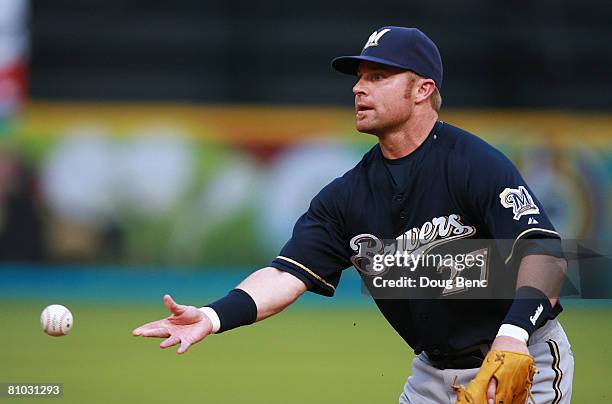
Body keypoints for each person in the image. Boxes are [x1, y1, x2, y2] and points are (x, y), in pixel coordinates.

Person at [133, 26, 573, 403]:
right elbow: (286, 274)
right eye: (359, 78)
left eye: (377, 76)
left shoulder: (473, 163)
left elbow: (546, 253)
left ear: (423, 89)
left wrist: (513, 335)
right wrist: (212, 317)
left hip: (520, 357)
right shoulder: (348, 196)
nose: (358, 88)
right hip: (433, 375)